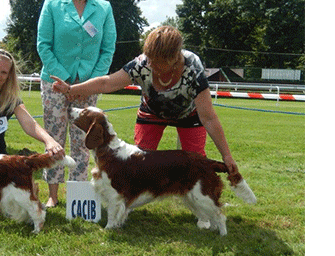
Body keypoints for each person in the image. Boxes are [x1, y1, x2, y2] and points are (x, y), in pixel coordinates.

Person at [51, 26, 240, 174]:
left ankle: (203, 209)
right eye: (149, 58)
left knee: (196, 161)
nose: (150, 64)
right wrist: (70, 88)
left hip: (188, 115)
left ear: (174, 58)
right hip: (151, 112)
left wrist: (227, 156)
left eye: (156, 61)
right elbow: (106, 83)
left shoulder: (193, 68)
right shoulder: (141, 64)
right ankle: (137, 197)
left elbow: (209, 118)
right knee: (139, 161)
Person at [36, 0, 116, 208]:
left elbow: (108, 49)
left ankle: (78, 196)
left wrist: (88, 83)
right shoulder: (51, 5)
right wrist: (67, 80)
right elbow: (44, 45)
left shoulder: (103, 8)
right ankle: (52, 195)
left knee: (84, 141)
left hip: (88, 86)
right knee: (55, 139)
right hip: (55, 83)